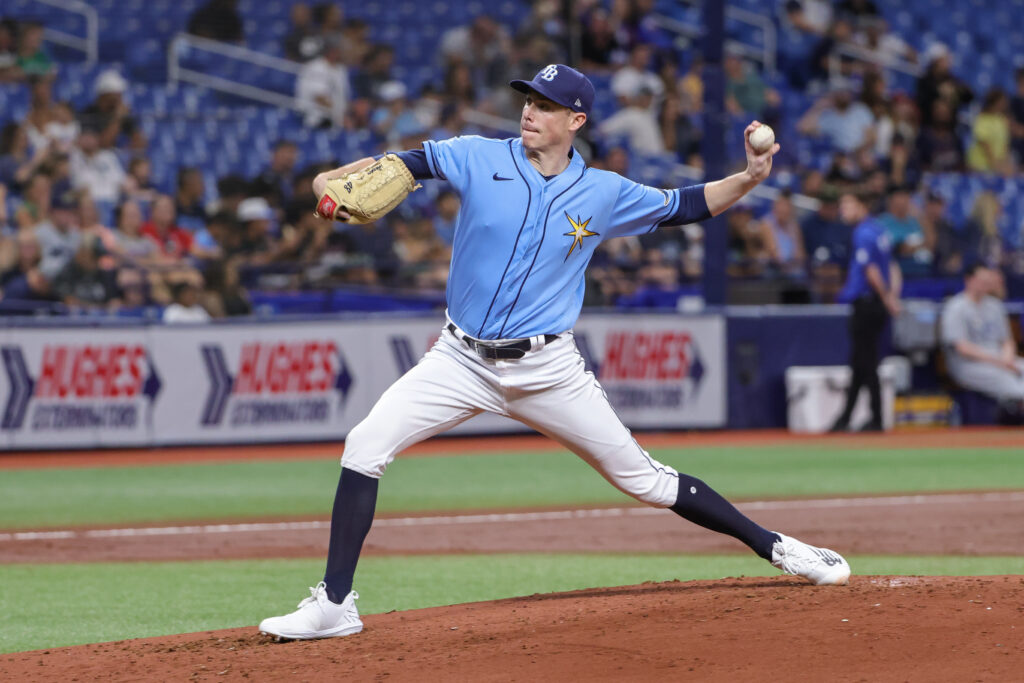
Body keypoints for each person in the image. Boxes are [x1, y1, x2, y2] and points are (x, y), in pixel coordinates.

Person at [258, 64, 852, 642]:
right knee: (364, 445)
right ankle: (335, 604)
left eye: (544, 105)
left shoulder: (603, 191)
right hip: (460, 360)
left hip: (548, 369)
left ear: (576, 119)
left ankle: (780, 548)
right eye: (527, 100)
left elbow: (685, 205)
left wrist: (748, 178)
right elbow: (402, 165)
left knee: (646, 481)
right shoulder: (477, 155)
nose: (528, 111)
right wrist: (334, 179)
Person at [829, 191, 902, 432]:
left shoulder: (863, 232)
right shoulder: (880, 229)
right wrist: (892, 296)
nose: (843, 211)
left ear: (861, 205)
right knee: (860, 362)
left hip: (867, 304)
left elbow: (871, 270)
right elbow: (891, 266)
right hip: (876, 304)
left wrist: (886, 297)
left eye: (847, 205)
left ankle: (876, 419)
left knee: (866, 363)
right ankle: (846, 418)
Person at [940, 264, 1024, 407]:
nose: (985, 284)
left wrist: (1007, 358)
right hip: (969, 364)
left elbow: (1007, 341)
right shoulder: (956, 307)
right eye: (981, 280)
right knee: (1004, 378)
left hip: (1000, 359)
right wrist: (999, 361)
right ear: (969, 280)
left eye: (987, 281)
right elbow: (962, 348)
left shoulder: (994, 305)